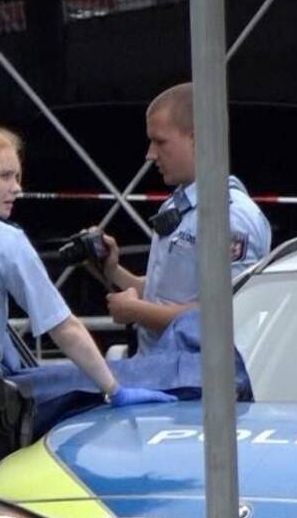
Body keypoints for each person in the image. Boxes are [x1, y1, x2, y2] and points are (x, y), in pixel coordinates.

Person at [0, 124, 179, 487]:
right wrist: (114, 388)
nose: (16, 187)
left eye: (18, 176)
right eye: (4, 175)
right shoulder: (3, 240)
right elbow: (63, 326)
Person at [102, 82, 272, 350]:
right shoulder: (175, 206)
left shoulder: (229, 217)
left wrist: (136, 312)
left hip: (200, 382)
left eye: (160, 141)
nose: (150, 154)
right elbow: (168, 296)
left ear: (196, 139)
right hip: (167, 373)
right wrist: (112, 270)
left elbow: (225, 313)